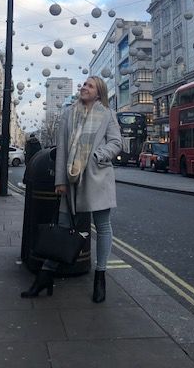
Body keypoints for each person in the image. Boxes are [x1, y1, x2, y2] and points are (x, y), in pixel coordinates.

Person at [21, 76, 122, 303]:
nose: (84, 87)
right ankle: (45, 276)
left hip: (97, 177)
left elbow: (117, 142)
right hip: (72, 179)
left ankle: (100, 277)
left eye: (90, 85)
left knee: (103, 226)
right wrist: (60, 181)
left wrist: (98, 155)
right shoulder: (68, 114)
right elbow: (63, 150)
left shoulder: (107, 114)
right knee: (64, 226)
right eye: (84, 84)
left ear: (98, 93)